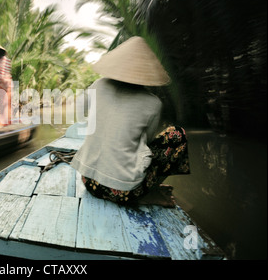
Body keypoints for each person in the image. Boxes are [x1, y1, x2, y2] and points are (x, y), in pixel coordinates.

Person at [70, 36, 190, 208]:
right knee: (177, 134)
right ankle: (148, 192)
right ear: (146, 74)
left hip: (89, 181)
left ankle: (139, 188)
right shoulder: (153, 103)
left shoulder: (99, 84)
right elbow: (146, 142)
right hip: (123, 192)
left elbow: (80, 109)